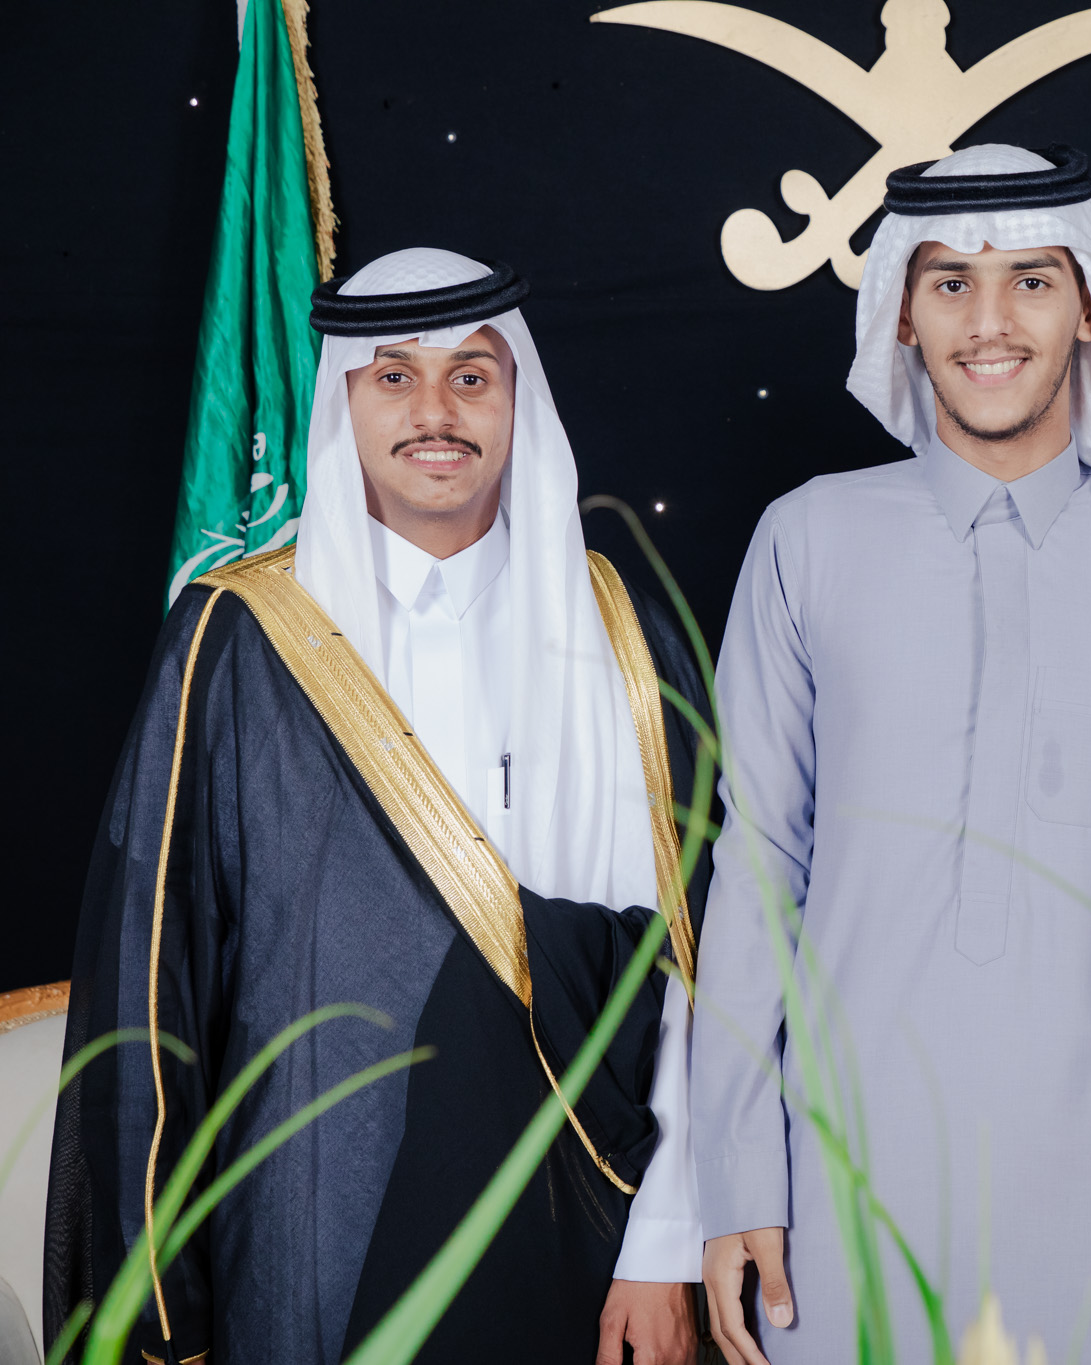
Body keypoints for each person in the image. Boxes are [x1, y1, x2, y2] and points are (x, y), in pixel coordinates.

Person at [46, 249, 709, 1365]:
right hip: (311, 1236)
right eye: (393, 376)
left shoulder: (621, 633)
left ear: (518, 399)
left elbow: (693, 968)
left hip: (584, 1233)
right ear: (343, 401)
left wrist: (665, 1244)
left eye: (470, 376)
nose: (434, 412)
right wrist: (160, 1308)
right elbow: (152, 987)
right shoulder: (238, 639)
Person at [692, 145, 1091, 1365]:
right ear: (901, 312)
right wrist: (736, 1180)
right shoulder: (806, 536)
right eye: (950, 283)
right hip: (844, 1176)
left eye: (1030, 281)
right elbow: (758, 865)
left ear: (1087, 308)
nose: (988, 323)